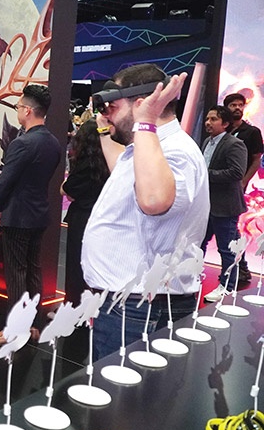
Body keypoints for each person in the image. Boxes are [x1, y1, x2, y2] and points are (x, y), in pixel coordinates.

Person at [82, 64, 209, 360]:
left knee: (123, 388)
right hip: (130, 304)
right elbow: (123, 170)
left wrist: (145, 122)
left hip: (141, 308)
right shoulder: (148, 146)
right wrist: (105, 128)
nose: (107, 114)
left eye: (113, 107)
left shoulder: (174, 150)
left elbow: (153, 200)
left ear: (140, 105)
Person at [0, 84, 62, 346]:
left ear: (28, 111)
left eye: (19, 107)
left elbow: (6, 182)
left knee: (17, 274)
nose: (18, 111)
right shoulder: (53, 142)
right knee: (33, 271)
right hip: (39, 214)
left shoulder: (22, 143)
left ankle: (14, 330)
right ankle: (33, 324)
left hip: (18, 216)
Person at [200, 105, 247, 302]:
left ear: (225, 123)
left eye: (213, 119)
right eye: (207, 119)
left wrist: (206, 174)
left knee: (226, 249)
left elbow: (237, 172)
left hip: (225, 206)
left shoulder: (234, 144)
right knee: (199, 243)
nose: (208, 123)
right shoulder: (207, 142)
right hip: (206, 204)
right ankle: (193, 276)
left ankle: (227, 286)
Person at [61, 119, 110, 305]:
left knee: (76, 265)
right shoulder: (112, 163)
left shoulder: (83, 165)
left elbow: (67, 190)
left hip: (82, 219)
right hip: (103, 218)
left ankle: (74, 307)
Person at [223, 92, 262, 282]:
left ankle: (242, 268)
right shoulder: (222, 129)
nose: (237, 108)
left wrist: (244, 181)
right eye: (233, 105)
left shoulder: (252, 132)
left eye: (240, 105)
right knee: (223, 226)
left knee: (231, 225)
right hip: (218, 185)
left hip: (236, 186)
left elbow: (256, 160)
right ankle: (238, 266)